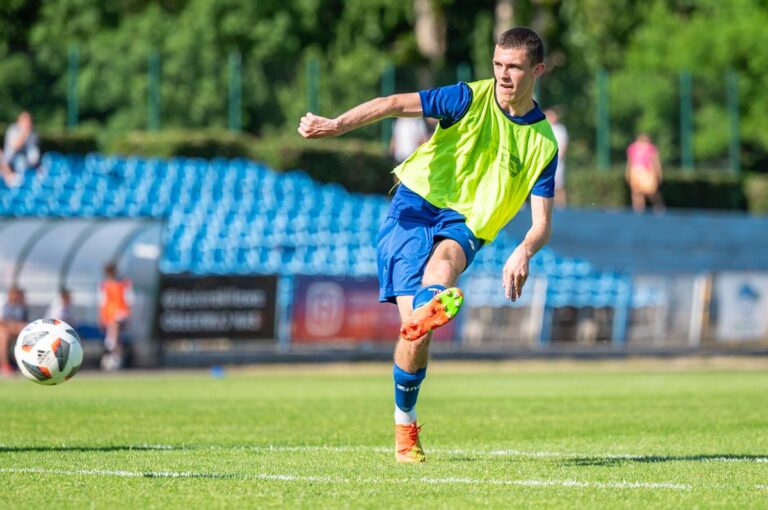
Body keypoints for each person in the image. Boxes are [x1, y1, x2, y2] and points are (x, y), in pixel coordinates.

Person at [299, 27, 558, 463]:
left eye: (514, 67)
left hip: (466, 224)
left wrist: (524, 250)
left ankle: (428, 310)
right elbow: (393, 103)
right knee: (415, 332)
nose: (503, 75)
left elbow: (543, 224)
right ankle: (406, 419)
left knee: (444, 268)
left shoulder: (544, 144)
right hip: (415, 206)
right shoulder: (467, 98)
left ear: (538, 70)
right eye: (497, 64)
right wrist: (337, 124)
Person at [99, 263, 132, 371]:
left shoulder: (123, 283)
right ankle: (113, 354)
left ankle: (111, 348)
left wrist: (128, 315)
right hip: (109, 314)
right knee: (116, 336)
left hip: (120, 312)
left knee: (115, 326)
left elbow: (129, 300)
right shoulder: (104, 285)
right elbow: (102, 302)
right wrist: (101, 317)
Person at [626, 133, 665, 213]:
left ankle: (658, 207)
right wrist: (628, 172)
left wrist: (658, 172)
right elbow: (630, 162)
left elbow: (655, 161)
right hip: (636, 170)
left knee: (651, 191)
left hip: (647, 171)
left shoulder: (651, 148)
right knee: (636, 192)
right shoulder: (633, 148)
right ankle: (638, 209)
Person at [0, 287, 29, 376]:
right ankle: (5, 365)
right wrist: (11, 326)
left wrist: (14, 326)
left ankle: (25, 364)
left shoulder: (22, 307)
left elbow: (24, 323)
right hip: (6, 331)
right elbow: (2, 322)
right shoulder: (4, 306)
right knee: (3, 336)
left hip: (17, 330)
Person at [3, 111, 41, 179]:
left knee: (33, 153)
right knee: (20, 161)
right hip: (11, 159)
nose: (28, 124)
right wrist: (24, 134)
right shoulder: (13, 130)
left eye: (29, 121)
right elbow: (15, 146)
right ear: (19, 121)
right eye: (26, 121)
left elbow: (33, 152)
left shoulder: (33, 133)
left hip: (26, 160)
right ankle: (19, 180)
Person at [545, 108, 568, 208]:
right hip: (545, 161)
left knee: (558, 185)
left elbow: (564, 144)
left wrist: (559, 158)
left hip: (557, 161)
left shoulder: (560, 129)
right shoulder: (544, 128)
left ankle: (561, 206)